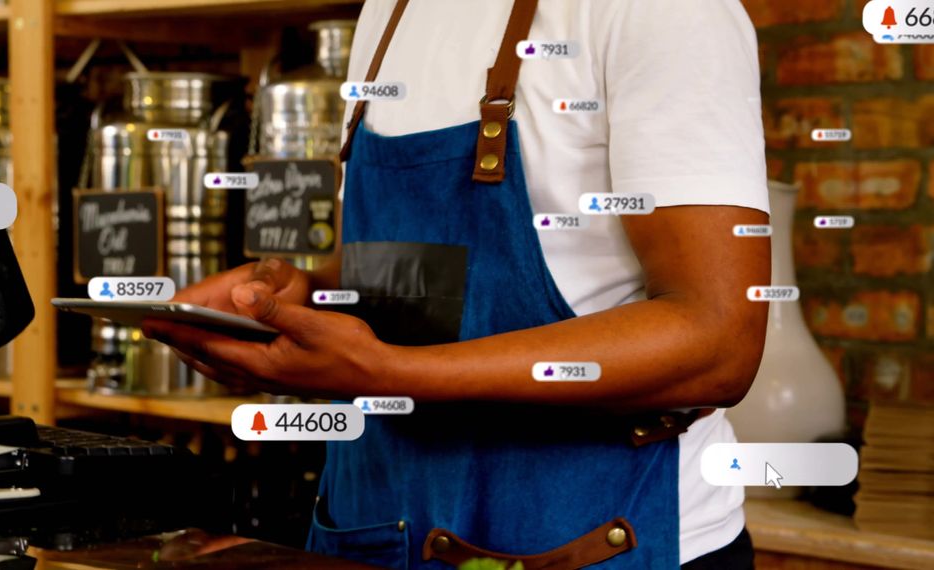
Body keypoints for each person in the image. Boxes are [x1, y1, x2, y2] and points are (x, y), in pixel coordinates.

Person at [144, 0, 769, 568]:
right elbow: (415, 271)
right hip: (370, 529)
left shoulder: (663, 11)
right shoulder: (386, 16)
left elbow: (717, 342)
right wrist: (296, 294)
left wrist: (385, 375)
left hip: (589, 539)